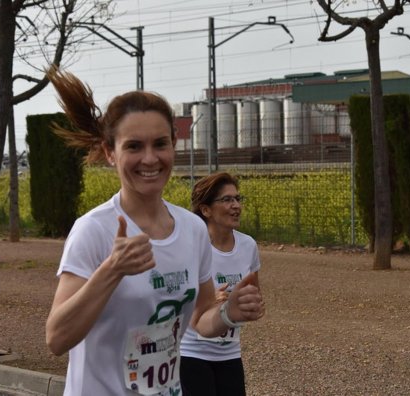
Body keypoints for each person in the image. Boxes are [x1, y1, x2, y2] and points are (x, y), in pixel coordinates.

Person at [44, 68, 264, 396]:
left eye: (160, 144)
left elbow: (201, 319)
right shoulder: (94, 230)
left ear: (173, 145)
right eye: (134, 146)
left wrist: (228, 313)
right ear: (110, 153)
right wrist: (112, 270)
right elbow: (57, 338)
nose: (150, 158)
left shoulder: (192, 230)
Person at [180, 172, 262, 396]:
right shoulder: (192, 247)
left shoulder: (248, 246)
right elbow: (177, 301)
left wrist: (249, 306)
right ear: (206, 210)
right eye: (227, 200)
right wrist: (209, 302)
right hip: (191, 353)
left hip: (230, 354)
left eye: (237, 199)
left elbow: (254, 296)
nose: (236, 205)